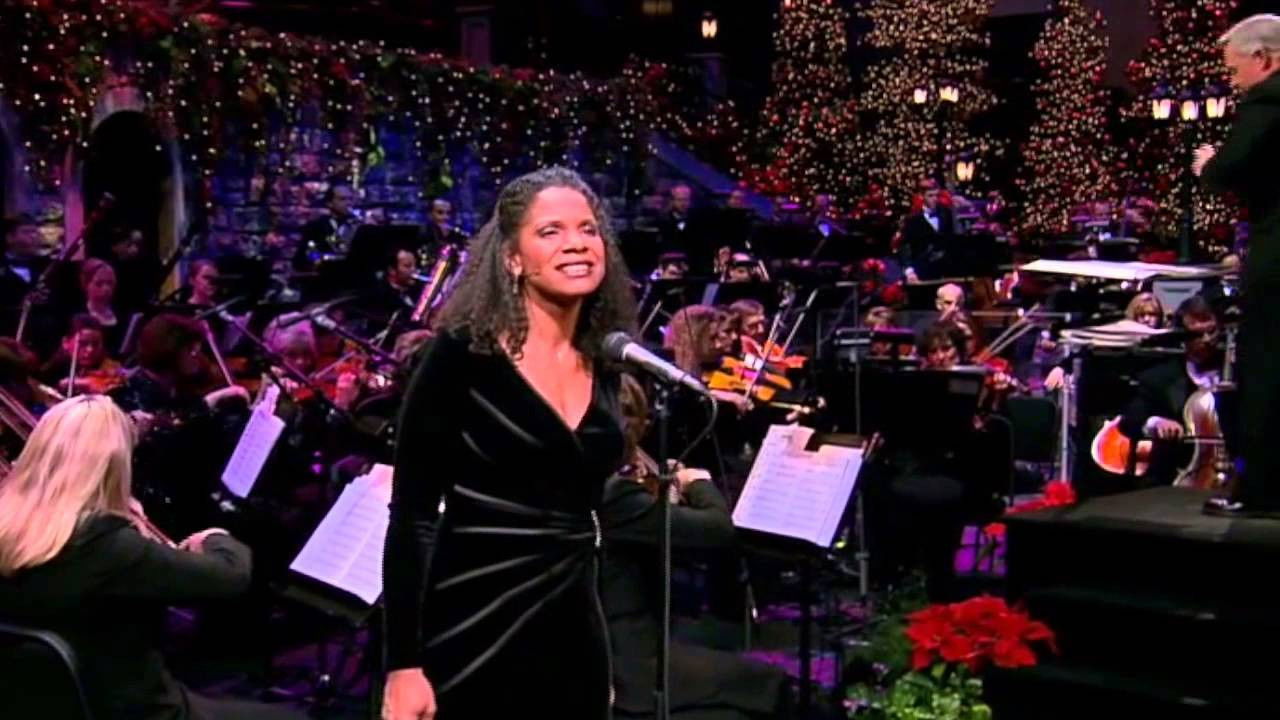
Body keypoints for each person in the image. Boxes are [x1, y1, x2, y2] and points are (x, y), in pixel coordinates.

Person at [380, 167, 637, 719]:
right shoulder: (459, 357)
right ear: (512, 258)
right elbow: (413, 516)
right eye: (551, 232)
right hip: (472, 620)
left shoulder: (606, 358)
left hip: (574, 624)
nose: (576, 244)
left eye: (588, 230)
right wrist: (402, 664)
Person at [0, 396, 305, 720]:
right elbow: (232, 576)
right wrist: (215, 537)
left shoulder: (12, 529)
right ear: (114, 465)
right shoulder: (108, 544)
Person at [601, 376, 791, 720]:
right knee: (775, 684)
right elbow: (718, 531)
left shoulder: (597, 482)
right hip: (630, 664)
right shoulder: (613, 492)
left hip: (636, 639)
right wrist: (698, 482)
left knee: (742, 662)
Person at [1194, 14, 1280, 515]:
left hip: (1276, 258)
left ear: (1262, 59)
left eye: (1234, 70)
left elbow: (1230, 169)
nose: (1232, 81)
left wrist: (1208, 165)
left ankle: (1263, 490)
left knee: (1266, 368)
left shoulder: (1267, 101)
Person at [1118, 296, 1224, 488]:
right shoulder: (1159, 377)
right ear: (1181, 338)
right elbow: (1130, 419)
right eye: (1197, 335)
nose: (1207, 341)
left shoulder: (1237, 374)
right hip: (1174, 478)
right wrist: (1156, 422)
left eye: (1211, 332)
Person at [39, 314, 126, 396]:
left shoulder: (110, 368)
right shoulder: (54, 369)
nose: (90, 350)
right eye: (83, 343)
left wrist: (82, 382)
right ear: (65, 342)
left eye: (95, 344)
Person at [899, 179, 956, 284]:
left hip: (945, 271)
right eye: (930, 196)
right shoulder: (912, 220)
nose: (935, 199)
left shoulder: (946, 214)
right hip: (922, 271)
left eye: (936, 195)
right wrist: (909, 272)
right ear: (922, 196)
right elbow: (905, 248)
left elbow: (952, 241)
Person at [294, 184, 359, 269]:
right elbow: (303, 257)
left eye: (350, 199)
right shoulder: (317, 227)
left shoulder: (360, 226)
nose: (348, 203)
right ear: (329, 203)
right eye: (342, 199)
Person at [78, 258, 125, 354]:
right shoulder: (79, 314)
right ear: (86, 285)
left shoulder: (122, 314)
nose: (106, 289)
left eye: (110, 283)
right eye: (99, 284)